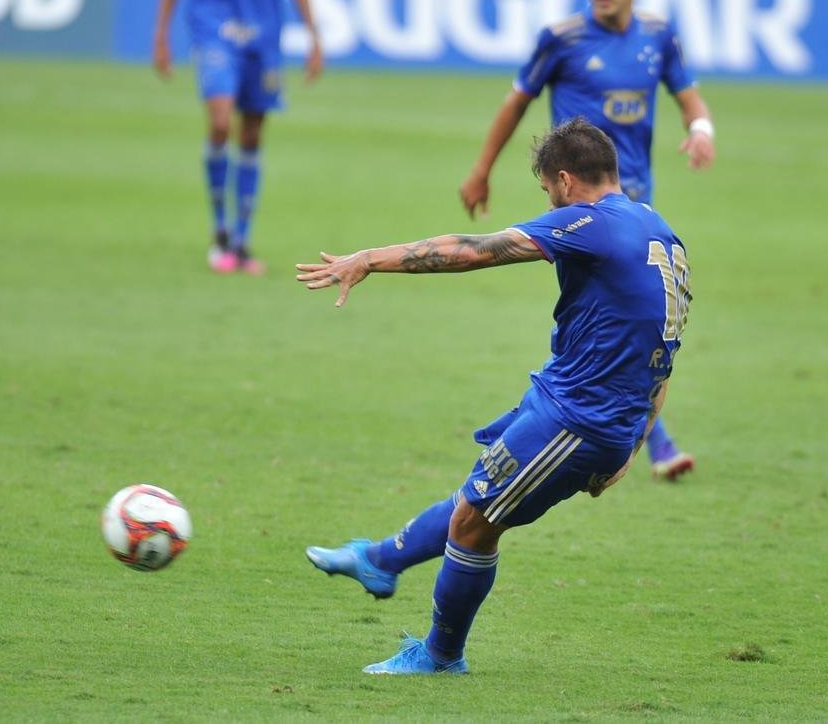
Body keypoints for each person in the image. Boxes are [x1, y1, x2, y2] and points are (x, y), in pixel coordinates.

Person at [296, 118, 691, 675]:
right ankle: (378, 560)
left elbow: (477, 249)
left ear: (565, 180)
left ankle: (440, 655)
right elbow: (664, 348)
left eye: (548, 190)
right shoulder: (659, 231)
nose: (550, 203)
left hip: (580, 419)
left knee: (474, 524)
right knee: (478, 496)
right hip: (571, 398)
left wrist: (368, 258)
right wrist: (637, 440)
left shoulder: (590, 223)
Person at [458, 0, 712, 480]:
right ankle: (622, 435)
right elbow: (516, 102)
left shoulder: (658, 36)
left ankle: (583, 426)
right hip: (579, 210)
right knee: (596, 320)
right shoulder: (562, 39)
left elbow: (689, 96)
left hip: (634, 207)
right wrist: (481, 169)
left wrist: (701, 130)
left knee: (623, 320)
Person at [153, 0, 323, 274]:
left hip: (263, 32)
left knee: (252, 134)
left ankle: (241, 240)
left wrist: (314, 36)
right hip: (213, 28)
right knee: (220, 121)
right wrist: (161, 34)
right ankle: (220, 230)